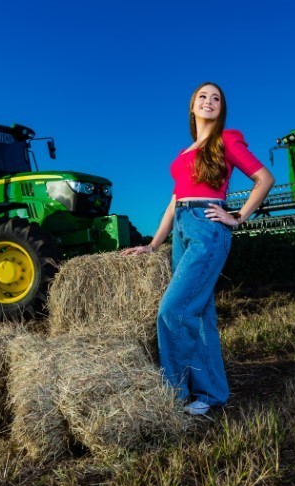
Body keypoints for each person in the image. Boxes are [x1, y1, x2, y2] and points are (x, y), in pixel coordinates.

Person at [122, 82, 274, 415]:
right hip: (181, 227)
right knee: (201, 313)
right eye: (202, 96)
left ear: (221, 109)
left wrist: (237, 217)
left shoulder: (226, 140)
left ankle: (173, 396)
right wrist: (153, 244)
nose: (209, 101)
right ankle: (211, 393)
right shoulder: (184, 153)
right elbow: (174, 201)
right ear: (192, 107)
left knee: (172, 310)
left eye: (216, 98)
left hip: (208, 226)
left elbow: (264, 179)